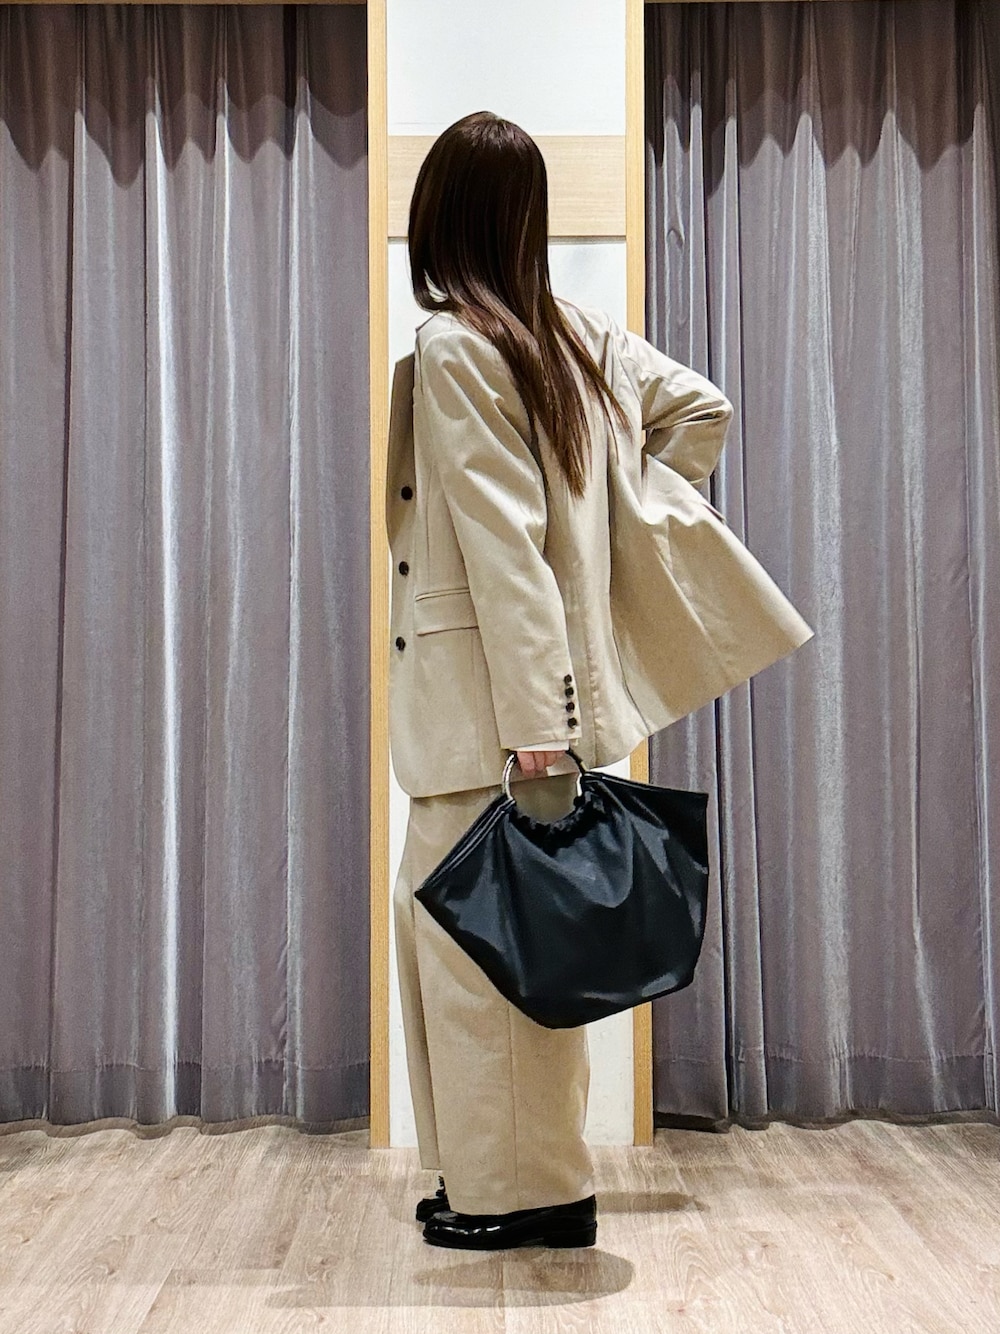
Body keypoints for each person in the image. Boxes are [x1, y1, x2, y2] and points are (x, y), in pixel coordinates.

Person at [386, 111, 813, 1251]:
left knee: (485, 974)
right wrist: (612, 532)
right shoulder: (574, 337)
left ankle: (525, 1196)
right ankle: (493, 1176)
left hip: (493, 724)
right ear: (524, 218)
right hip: (517, 722)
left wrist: (538, 720)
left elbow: (505, 549)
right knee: (495, 960)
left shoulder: (460, 348)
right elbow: (701, 409)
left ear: (440, 215)